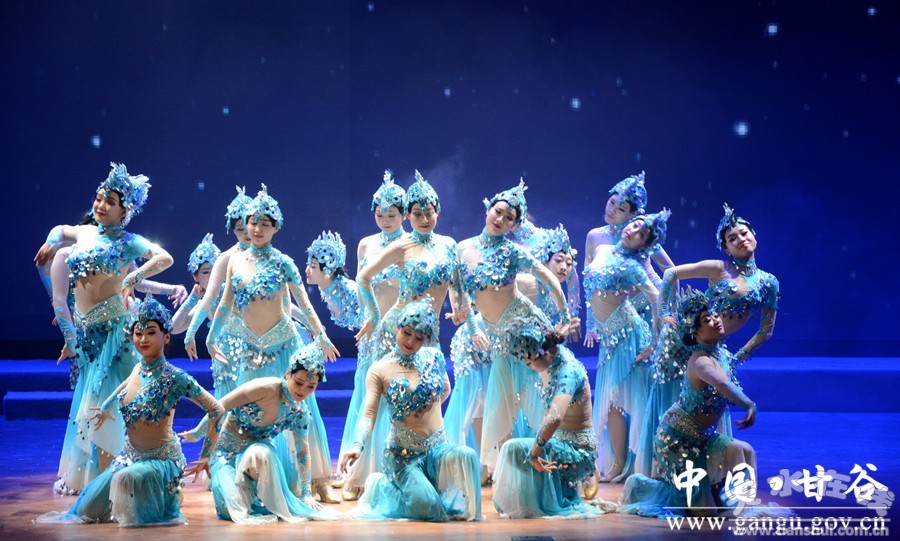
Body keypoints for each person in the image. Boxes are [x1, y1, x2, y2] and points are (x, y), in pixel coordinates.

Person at [184, 184, 340, 503]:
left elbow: (303, 303)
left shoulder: (284, 263)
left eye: (264, 224)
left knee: (298, 409)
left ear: (276, 228)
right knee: (254, 413)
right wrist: (204, 335)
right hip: (250, 351)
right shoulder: (233, 261)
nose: (256, 229)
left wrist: (321, 334)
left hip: (284, 347)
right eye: (252, 222)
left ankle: (313, 481)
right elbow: (224, 303)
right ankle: (261, 482)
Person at [33, 163, 174, 495]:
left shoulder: (129, 241)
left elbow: (164, 257)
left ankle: (120, 477)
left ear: (124, 211)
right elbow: (60, 230)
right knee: (89, 402)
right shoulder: (83, 234)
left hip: (116, 335)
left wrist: (133, 277)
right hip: (87, 338)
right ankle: (96, 478)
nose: (100, 205)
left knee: (112, 403)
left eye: (110, 201)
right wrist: (52, 241)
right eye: (98, 198)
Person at [35, 295, 224, 527]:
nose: (143, 339)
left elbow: (216, 409)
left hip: (160, 461)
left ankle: (167, 493)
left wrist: (206, 455)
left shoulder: (175, 377)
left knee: (126, 482)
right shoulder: (137, 369)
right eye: (138, 333)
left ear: (166, 337)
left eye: (151, 332)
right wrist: (106, 407)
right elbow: (123, 387)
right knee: (85, 509)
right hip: (128, 458)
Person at [635, 204, 781, 476]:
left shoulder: (768, 282)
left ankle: (706, 471)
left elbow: (765, 330)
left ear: (754, 236)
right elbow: (670, 273)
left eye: (744, 233)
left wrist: (737, 357)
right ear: (726, 248)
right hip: (681, 343)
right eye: (732, 238)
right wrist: (665, 312)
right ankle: (660, 471)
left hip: (714, 348)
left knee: (709, 400)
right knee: (672, 399)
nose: (740, 239)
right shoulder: (720, 268)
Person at [453, 180, 574, 473]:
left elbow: (548, 277)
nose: (501, 219)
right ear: (488, 209)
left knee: (543, 396)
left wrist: (564, 316)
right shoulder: (463, 248)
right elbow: (460, 290)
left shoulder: (512, 251)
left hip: (525, 328)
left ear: (514, 225)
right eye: (499, 212)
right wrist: (470, 325)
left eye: (509, 218)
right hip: (495, 335)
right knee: (501, 406)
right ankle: (508, 473)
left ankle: (568, 465)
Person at [619, 288, 765, 518]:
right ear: (695, 333)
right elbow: (723, 384)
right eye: (707, 320)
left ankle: (733, 501)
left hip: (704, 437)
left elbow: (737, 360)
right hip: (677, 441)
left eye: (715, 315)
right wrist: (748, 404)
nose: (716, 320)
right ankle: (641, 488)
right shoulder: (700, 362)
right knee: (705, 511)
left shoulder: (721, 354)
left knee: (744, 451)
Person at [340, 299, 481, 521]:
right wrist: (358, 445)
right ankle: (382, 487)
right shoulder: (379, 369)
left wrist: (425, 408)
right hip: (403, 456)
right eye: (407, 333)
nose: (411, 341)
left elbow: (445, 389)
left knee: (468, 457)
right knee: (426, 507)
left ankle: (424, 486)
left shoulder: (433, 357)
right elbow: (368, 413)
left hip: (438, 448)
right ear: (397, 327)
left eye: (419, 338)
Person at [492, 318, 617, 518]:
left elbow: (555, 417)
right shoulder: (552, 358)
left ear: (545, 353)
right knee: (519, 451)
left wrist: (534, 454)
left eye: (529, 363)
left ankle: (587, 470)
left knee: (512, 448)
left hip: (576, 448)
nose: (529, 368)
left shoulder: (568, 371)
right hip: (559, 441)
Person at [207, 342, 341, 523]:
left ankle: (261, 492)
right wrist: (202, 442)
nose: (303, 390)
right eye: (299, 382)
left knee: (261, 452)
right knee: (234, 509)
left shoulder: (300, 412)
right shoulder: (266, 387)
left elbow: (302, 452)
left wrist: (306, 492)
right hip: (226, 453)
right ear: (288, 373)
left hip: (256, 456)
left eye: (311, 387)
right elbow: (219, 406)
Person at [583, 210, 670, 483]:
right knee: (612, 404)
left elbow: (658, 298)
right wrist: (591, 324)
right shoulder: (602, 249)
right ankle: (619, 462)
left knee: (626, 402)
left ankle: (636, 463)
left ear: (644, 245)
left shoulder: (633, 266)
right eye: (634, 226)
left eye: (641, 234)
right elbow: (589, 290)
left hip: (629, 336)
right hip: (609, 338)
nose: (633, 231)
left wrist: (655, 342)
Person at [335, 172, 406, 500]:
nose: (386, 220)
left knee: (395, 397)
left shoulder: (410, 244)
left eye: (392, 214)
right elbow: (361, 287)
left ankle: (395, 470)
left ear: (403, 215)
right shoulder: (366, 243)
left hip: (401, 330)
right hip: (372, 332)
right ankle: (359, 473)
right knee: (367, 397)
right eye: (380, 214)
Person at [356, 170, 464, 358]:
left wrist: (458, 307)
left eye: (429, 213)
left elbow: (456, 283)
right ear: (408, 215)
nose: (424, 220)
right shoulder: (402, 245)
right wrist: (373, 316)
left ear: (438, 211)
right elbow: (362, 277)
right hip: (396, 330)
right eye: (417, 214)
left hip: (428, 331)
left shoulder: (449, 244)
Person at [583, 172, 675, 325]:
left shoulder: (640, 235)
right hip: (617, 312)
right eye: (612, 202)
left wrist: (671, 304)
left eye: (621, 209)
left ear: (633, 214)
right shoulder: (594, 236)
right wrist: (591, 322)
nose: (612, 210)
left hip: (648, 305)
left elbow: (672, 271)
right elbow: (589, 280)